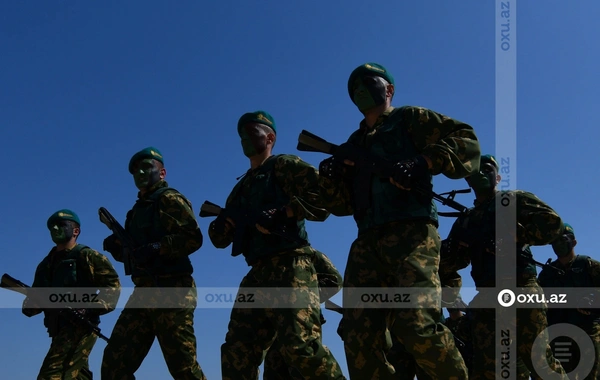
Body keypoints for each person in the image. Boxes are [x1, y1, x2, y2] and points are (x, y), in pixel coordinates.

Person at [317, 62, 480, 379]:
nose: (360, 90)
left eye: (368, 83)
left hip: (411, 233)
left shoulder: (410, 119)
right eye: (354, 88)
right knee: (356, 332)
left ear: (388, 90)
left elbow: (466, 140)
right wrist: (331, 178)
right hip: (366, 244)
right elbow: (339, 206)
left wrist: (424, 161)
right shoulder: (354, 143)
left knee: (415, 322)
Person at [208, 110, 346, 380]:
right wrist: (222, 225)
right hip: (257, 272)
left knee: (300, 346)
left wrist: (284, 213)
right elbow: (218, 240)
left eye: (251, 133)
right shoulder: (241, 188)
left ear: (270, 137)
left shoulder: (284, 165)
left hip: (290, 265)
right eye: (241, 136)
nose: (244, 140)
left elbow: (324, 196)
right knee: (237, 350)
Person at [439, 154, 568, 379]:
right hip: (487, 296)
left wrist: (515, 236)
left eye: (487, 169)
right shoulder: (466, 221)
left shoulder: (512, 200)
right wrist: (451, 249)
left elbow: (552, 223)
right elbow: (454, 263)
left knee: (539, 360)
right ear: (467, 180)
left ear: (497, 177)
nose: (481, 173)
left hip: (521, 289)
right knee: (488, 368)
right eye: (475, 170)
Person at [100, 147, 207, 379]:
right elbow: (137, 256)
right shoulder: (136, 212)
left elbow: (193, 238)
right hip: (143, 293)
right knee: (114, 364)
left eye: (147, 167)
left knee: (183, 367)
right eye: (135, 170)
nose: (140, 172)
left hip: (173, 290)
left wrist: (158, 247)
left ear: (162, 172)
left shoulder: (169, 199)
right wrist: (119, 248)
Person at [22, 209, 121, 380]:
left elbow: (112, 289)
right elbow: (33, 303)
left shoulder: (88, 257)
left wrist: (87, 308)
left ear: (76, 231)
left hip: (80, 327)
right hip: (56, 330)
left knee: (52, 375)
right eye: (51, 227)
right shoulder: (45, 265)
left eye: (61, 225)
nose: (55, 229)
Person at [263, 250, 343, 380]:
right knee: (274, 368)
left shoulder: (308, 254)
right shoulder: (266, 264)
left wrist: (308, 297)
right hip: (278, 326)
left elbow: (336, 282)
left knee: (302, 365)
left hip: (301, 322)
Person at [538, 222, 600, 379]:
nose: (558, 245)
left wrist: (593, 301)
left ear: (573, 242)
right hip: (559, 337)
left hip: (587, 334)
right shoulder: (547, 274)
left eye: (562, 240)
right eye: (554, 241)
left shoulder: (588, 265)